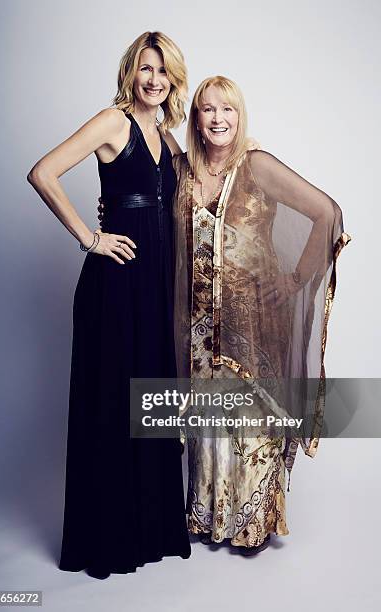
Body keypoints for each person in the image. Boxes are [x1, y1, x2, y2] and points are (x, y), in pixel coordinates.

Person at [27, 31, 191, 579]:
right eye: (145, 68)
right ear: (131, 72)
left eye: (162, 70)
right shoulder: (112, 121)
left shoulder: (167, 138)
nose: (153, 80)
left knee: (151, 402)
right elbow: (43, 173)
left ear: (173, 78)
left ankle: (150, 530)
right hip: (116, 285)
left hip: (157, 284)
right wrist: (89, 236)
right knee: (114, 402)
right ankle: (108, 539)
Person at [172, 76, 351, 555]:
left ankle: (251, 522)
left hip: (253, 321)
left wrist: (294, 279)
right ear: (196, 118)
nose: (217, 118)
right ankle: (209, 516)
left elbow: (327, 212)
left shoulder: (256, 165)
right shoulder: (182, 170)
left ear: (239, 115)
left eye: (226, 109)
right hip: (200, 323)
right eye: (207, 109)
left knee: (250, 418)